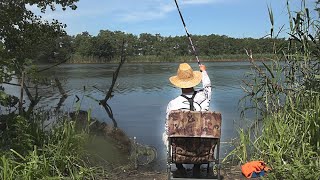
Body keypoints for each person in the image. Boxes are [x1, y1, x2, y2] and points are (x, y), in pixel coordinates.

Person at [163, 62, 212, 177]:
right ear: (194, 80)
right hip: (201, 149)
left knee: (165, 134)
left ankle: (180, 168)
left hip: (181, 148)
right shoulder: (203, 98)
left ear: (179, 84)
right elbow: (208, 88)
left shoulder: (173, 104)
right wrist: (203, 72)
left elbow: (168, 129)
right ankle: (197, 166)